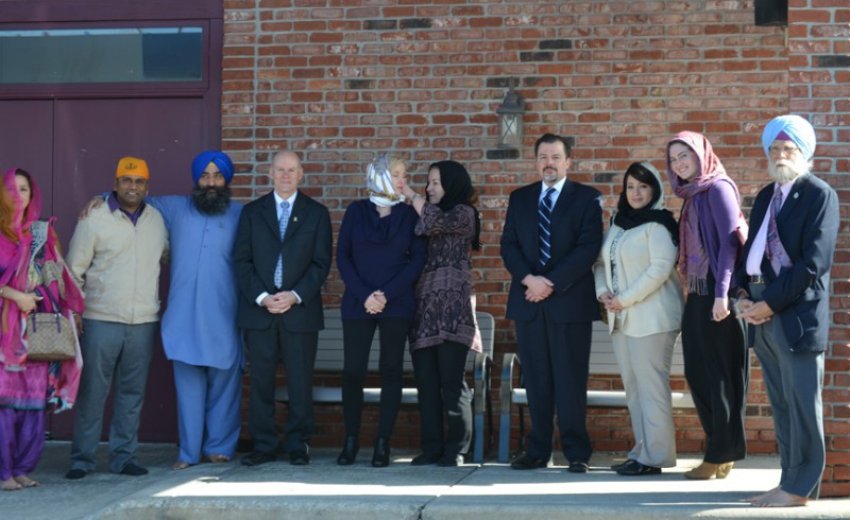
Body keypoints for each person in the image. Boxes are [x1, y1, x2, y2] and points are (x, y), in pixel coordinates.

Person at [81, 151, 245, 470]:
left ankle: (219, 447)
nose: (211, 182)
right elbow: (133, 197)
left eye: (218, 176)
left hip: (225, 313)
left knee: (225, 385)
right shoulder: (174, 208)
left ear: (226, 180)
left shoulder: (242, 214)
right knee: (188, 388)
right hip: (184, 316)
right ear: (196, 179)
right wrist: (100, 196)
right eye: (204, 176)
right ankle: (188, 452)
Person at [735, 115, 839, 507]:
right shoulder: (766, 195)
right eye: (775, 148)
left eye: (789, 148)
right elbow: (752, 251)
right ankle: (788, 481)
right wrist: (743, 294)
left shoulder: (819, 195)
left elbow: (814, 264)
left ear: (805, 153)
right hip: (760, 311)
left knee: (802, 405)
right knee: (781, 404)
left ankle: (799, 489)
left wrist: (770, 303)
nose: (780, 154)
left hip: (794, 314)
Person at [500, 133, 602, 473]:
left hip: (569, 304)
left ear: (568, 161)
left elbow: (588, 248)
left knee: (570, 379)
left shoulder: (587, 198)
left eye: (556, 157)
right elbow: (509, 246)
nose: (549, 163)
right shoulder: (519, 198)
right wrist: (530, 280)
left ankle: (576, 452)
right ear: (536, 161)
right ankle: (537, 450)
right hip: (529, 301)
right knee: (536, 379)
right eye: (543, 157)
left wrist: (551, 282)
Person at [65, 157, 168, 479]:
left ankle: (124, 458)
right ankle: (82, 460)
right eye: (126, 180)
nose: (132, 187)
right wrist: (75, 311)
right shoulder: (94, 218)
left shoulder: (157, 221)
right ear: (115, 184)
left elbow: (165, 256)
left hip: (143, 321)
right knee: (93, 393)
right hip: (101, 319)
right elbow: (73, 270)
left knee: (132, 394)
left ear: (147, 187)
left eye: (139, 182)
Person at [233, 150, 332, 467]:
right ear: (270, 173)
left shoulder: (316, 214)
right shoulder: (252, 213)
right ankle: (264, 444)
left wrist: (295, 295)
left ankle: (298, 444)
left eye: (291, 170)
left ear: (301, 173)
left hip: (299, 311)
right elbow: (241, 261)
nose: (286, 175)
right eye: (280, 170)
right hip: (260, 311)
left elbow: (321, 263)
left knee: (299, 381)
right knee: (260, 381)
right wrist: (263, 296)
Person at [666, 131, 748, 480]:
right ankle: (721, 450)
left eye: (685, 155)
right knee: (699, 374)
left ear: (701, 155)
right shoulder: (692, 194)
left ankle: (718, 455)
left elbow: (730, 244)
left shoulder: (718, 188)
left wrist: (722, 294)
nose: (679, 164)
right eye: (673, 159)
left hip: (718, 292)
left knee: (719, 377)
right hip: (700, 293)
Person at [336, 154, 426, 467]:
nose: (402, 180)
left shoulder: (409, 215)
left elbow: (417, 260)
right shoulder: (356, 211)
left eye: (403, 175)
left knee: (391, 370)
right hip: (358, 302)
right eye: (396, 174)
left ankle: (382, 443)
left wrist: (386, 295)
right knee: (353, 371)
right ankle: (350, 441)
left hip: (396, 303)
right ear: (379, 176)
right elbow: (343, 257)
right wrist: (366, 295)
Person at [593, 162, 682, 476]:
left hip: (653, 319)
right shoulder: (618, 222)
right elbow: (601, 262)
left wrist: (624, 299)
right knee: (633, 388)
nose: (636, 193)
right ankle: (642, 452)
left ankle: (656, 457)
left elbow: (660, 269)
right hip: (621, 318)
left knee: (651, 388)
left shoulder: (660, 225)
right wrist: (603, 292)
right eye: (631, 186)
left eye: (643, 187)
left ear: (654, 190)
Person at [0, 168, 84, 491]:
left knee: (33, 405)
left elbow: (59, 276)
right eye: (11, 189)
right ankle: (4, 472)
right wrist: (15, 295)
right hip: (6, 333)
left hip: (38, 330)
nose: (18, 195)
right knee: (5, 405)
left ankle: (22, 468)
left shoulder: (41, 233)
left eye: (24, 189)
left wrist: (69, 309)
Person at [400, 160, 481, 467]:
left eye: (435, 182)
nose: (429, 188)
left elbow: (436, 222)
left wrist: (408, 193)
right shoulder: (422, 214)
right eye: (428, 182)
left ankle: (457, 448)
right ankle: (431, 447)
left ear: (453, 184)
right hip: (424, 309)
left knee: (451, 381)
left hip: (453, 310)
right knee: (427, 383)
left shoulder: (464, 213)